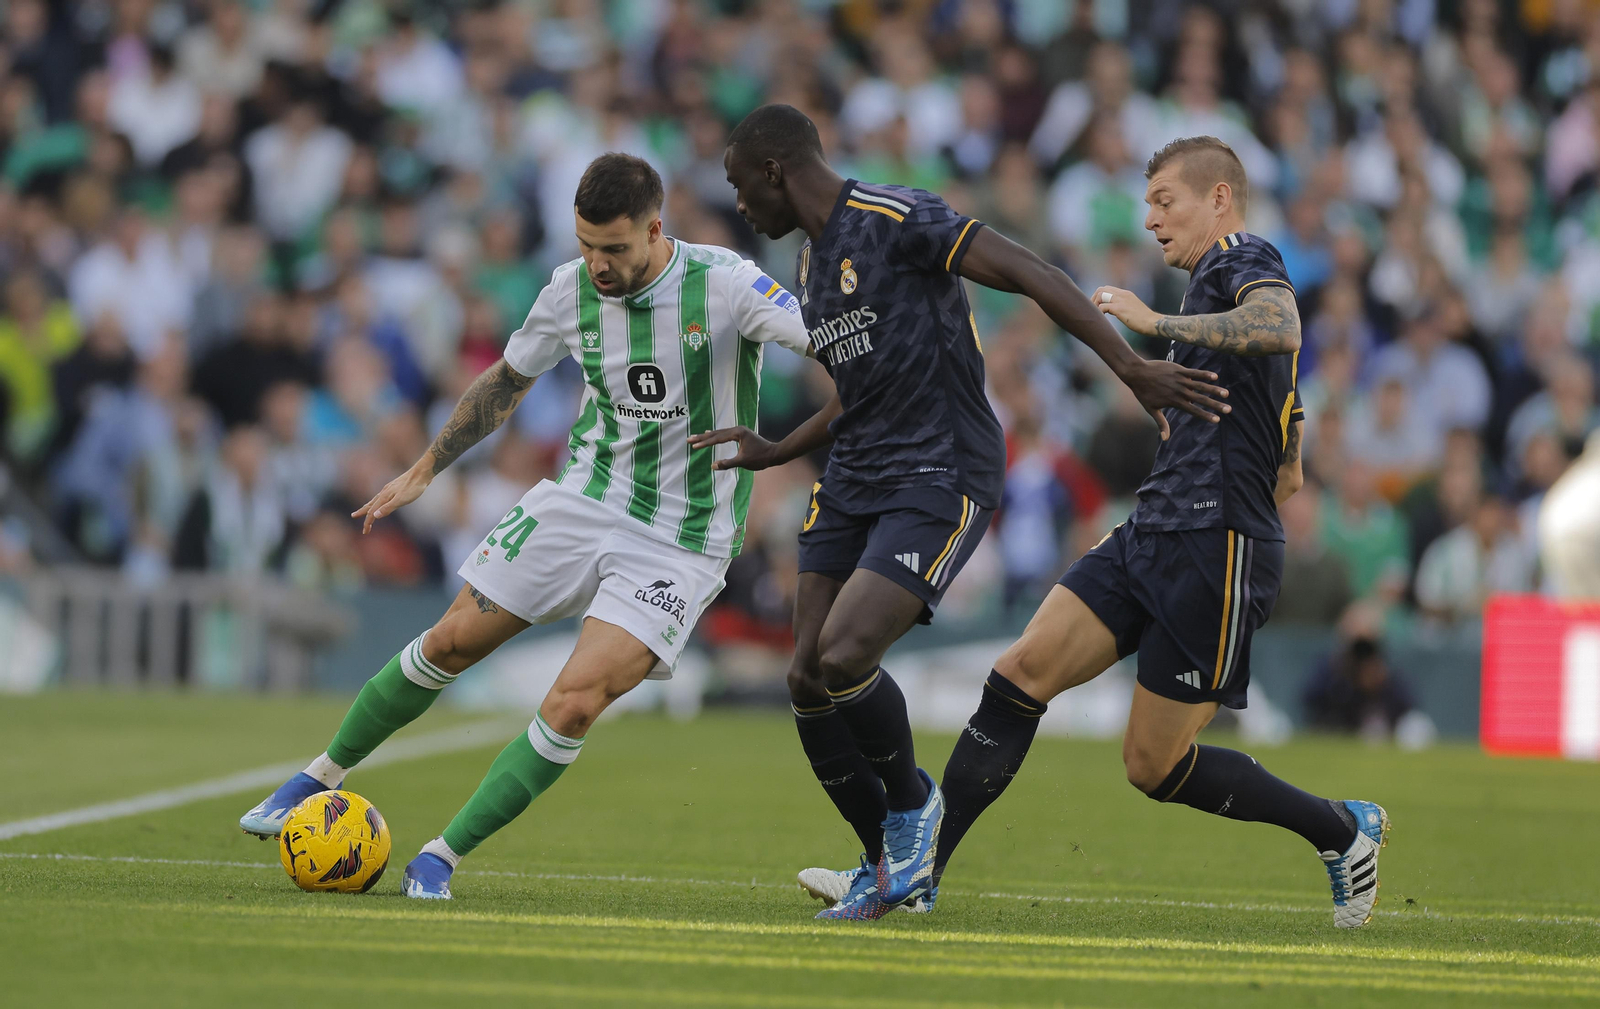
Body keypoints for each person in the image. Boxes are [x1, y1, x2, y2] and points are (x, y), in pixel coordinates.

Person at [237, 153, 813, 899]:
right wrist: (425, 467)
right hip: (584, 499)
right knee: (449, 640)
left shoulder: (726, 284)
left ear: (653, 229)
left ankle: (439, 857)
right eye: (585, 246)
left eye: (614, 249)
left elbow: (818, 337)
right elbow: (508, 380)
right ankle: (315, 776)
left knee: (574, 701)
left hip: (682, 539)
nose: (597, 265)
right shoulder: (570, 291)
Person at [702, 104, 1228, 919]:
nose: (739, 204)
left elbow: (1031, 272)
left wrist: (1127, 365)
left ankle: (915, 808)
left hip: (939, 468)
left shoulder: (894, 216)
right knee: (806, 672)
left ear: (774, 170)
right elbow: (857, 390)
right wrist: (778, 448)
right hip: (855, 472)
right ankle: (887, 867)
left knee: (846, 654)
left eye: (740, 185)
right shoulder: (811, 263)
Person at [904, 136, 1390, 930]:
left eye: (1166, 199)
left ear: (1220, 199)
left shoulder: (1242, 254)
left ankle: (1341, 829)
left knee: (1151, 764)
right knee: (1020, 670)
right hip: (1155, 526)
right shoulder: (1207, 288)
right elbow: (1289, 440)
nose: (1151, 217)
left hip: (1217, 542)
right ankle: (916, 874)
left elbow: (1282, 322)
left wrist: (1152, 322)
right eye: (1149, 201)